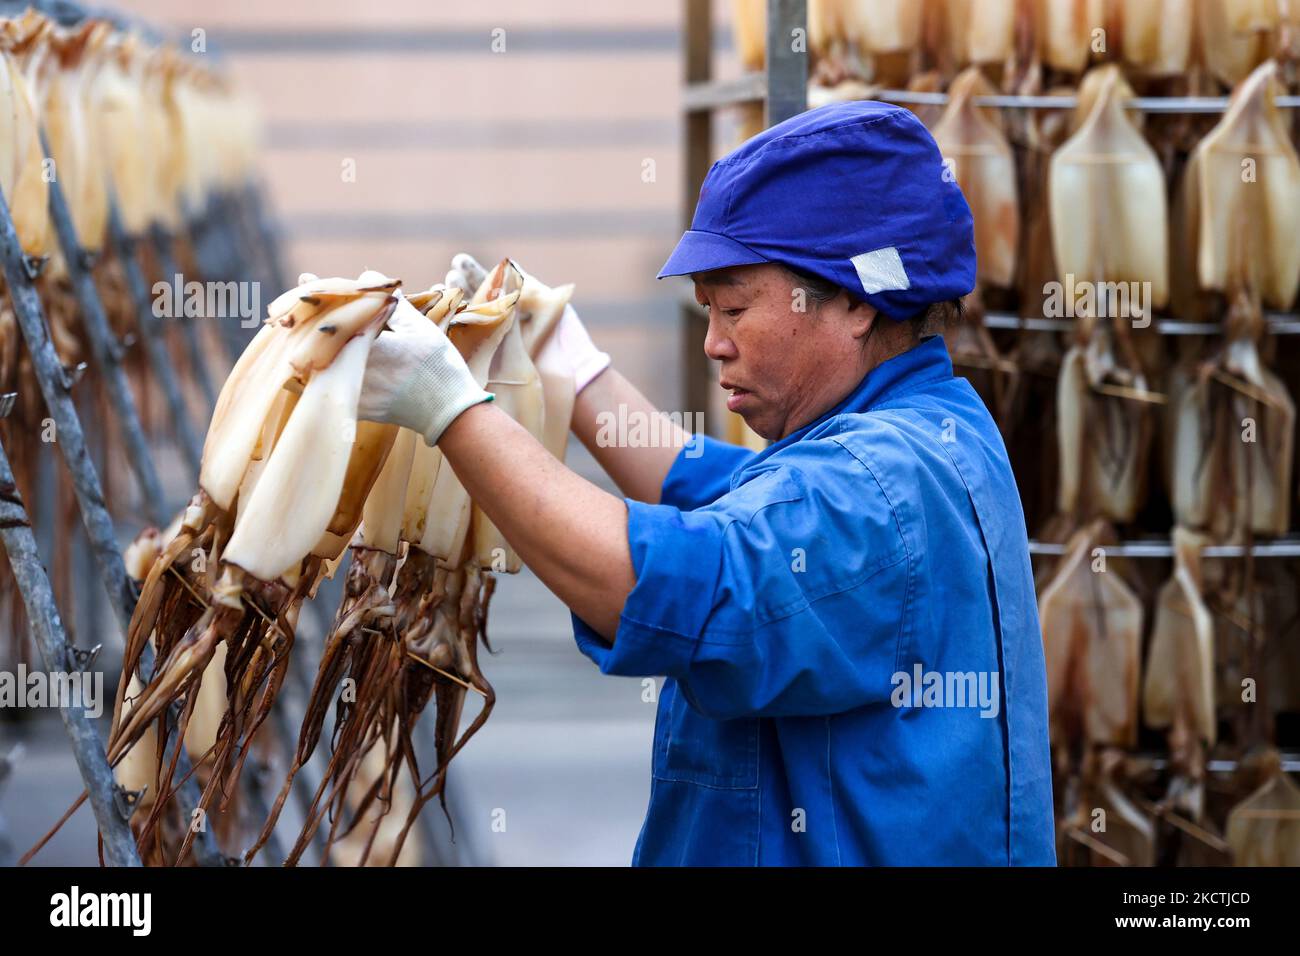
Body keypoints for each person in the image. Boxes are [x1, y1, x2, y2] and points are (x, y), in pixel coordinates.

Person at [357, 101, 1056, 866]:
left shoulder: (875, 488)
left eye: (734, 308)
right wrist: (576, 371)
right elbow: (724, 489)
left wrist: (453, 413)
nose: (715, 344)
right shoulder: (927, 429)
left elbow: (668, 582)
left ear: (855, 300)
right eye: (706, 312)